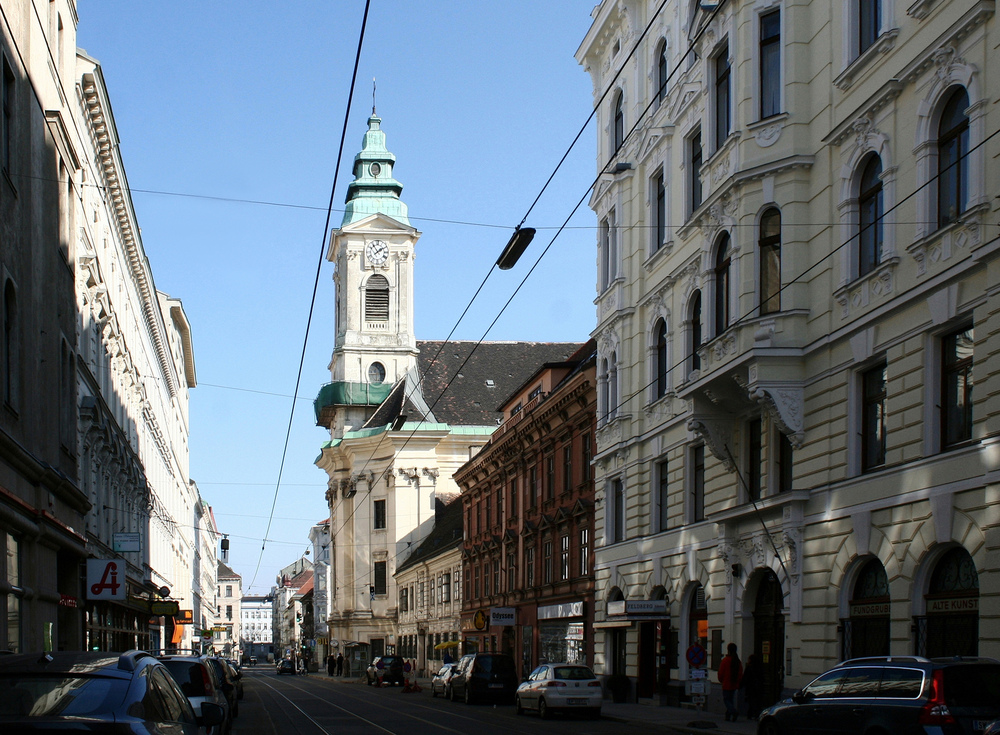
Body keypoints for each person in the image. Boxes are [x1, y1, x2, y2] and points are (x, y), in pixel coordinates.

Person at [717, 642, 743, 722]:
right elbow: (740, 673)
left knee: (726, 700)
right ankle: (728, 715)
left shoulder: (725, 660)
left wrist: (721, 680)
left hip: (726, 684)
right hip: (734, 684)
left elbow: (721, 673)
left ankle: (733, 712)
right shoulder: (738, 661)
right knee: (730, 700)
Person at [741, 653, 764, 720]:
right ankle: (756, 714)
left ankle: (751, 714)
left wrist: (741, 685)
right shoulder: (759, 667)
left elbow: (745, 678)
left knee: (751, 702)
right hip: (758, 687)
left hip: (750, 688)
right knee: (756, 701)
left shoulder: (749, 667)